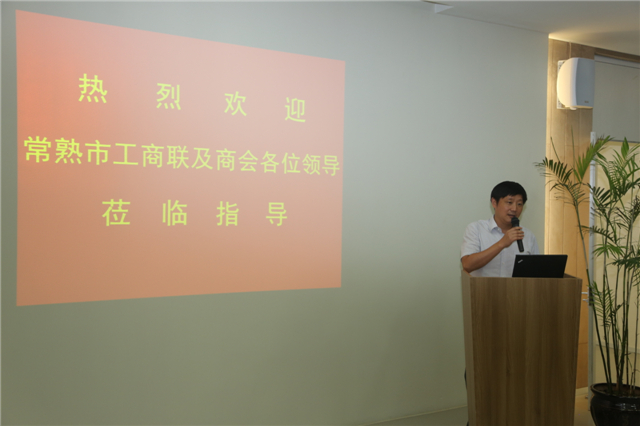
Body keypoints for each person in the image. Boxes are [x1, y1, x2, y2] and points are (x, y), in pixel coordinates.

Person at [461, 181, 539, 277]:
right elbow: (467, 265)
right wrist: (501, 243)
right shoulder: (476, 229)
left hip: (516, 287)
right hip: (483, 287)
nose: (514, 209)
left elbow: (536, 273)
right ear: (494, 202)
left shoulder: (528, 236)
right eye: (509, 202)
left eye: (519, 204)